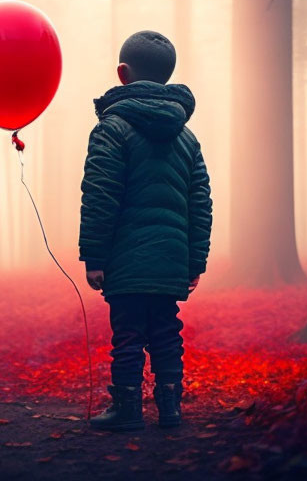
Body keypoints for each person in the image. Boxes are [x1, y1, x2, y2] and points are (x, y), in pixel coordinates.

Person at [78, 30, 212, 431]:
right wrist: (194, 261)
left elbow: (100, 195)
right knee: (167, 332)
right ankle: (171, 408)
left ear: (122, 73)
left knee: (129, 334)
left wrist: (95, 256)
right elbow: (200, 204)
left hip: (126, 259)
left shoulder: (111, 129)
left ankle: (128, 409)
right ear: (167, 78)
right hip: (171, 260)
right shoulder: (188, 138)